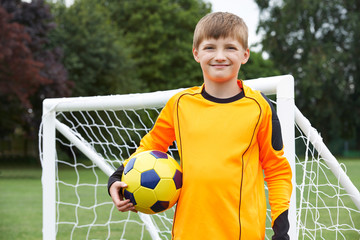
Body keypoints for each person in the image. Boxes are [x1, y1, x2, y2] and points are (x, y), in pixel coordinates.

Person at [108, 12, 292, 240]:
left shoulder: (260, 106)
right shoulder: (179, 104)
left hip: (243, 234)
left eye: (230, 48)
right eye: (210, 47)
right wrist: (116, 178)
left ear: (245, 55)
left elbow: (277, 171)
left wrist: (281, 232)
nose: (220, 56)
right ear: (196, 53)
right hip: (188, 233)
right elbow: (151, 145)